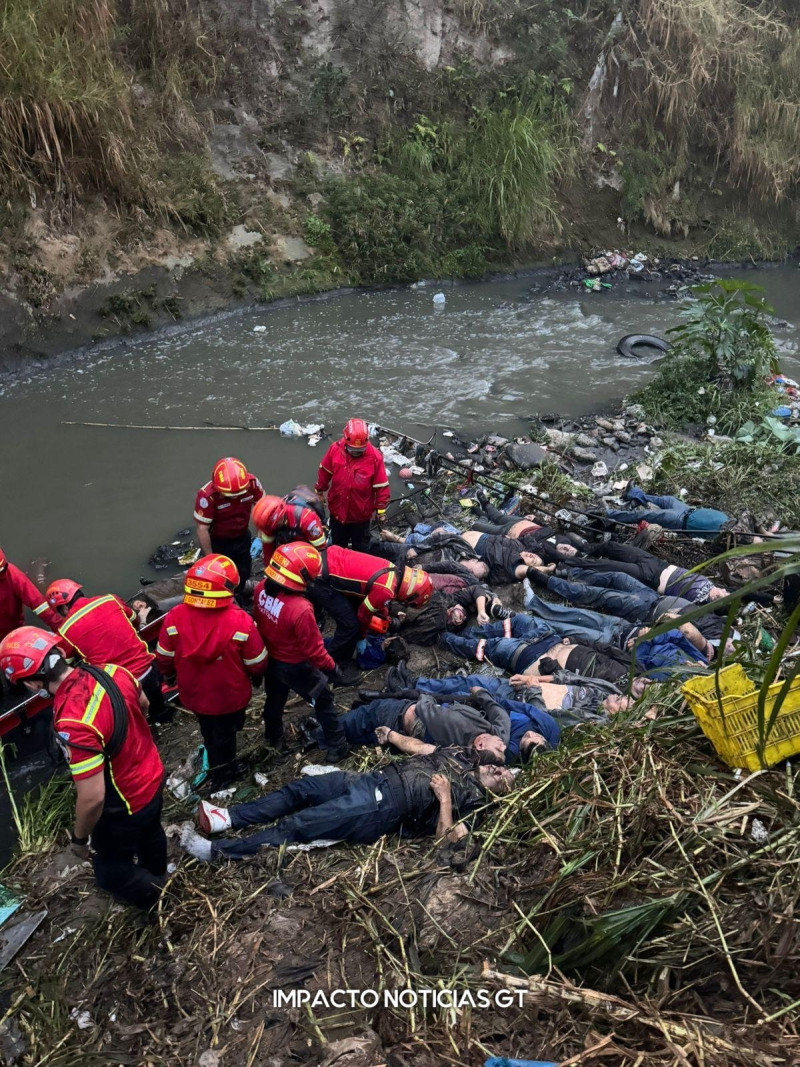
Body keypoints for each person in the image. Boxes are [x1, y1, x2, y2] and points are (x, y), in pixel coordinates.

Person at [0, 627, 166, 910]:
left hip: (125, 803)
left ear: (32, 684)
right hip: (153, 775)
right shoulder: (112, 671)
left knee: (110, 874)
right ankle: (160, 874)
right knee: (151, 833)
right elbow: (143, 704)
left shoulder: (73, 722)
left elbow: (93, 798)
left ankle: (157, 896)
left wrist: (79, 839)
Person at [181, 747, 514, 861]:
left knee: (300, 825)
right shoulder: (464, 762)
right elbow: (423, 747)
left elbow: (449, 839)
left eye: (502, 777)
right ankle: (228, 816)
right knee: (301, 790)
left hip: (383, 807)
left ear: (498, 793)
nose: (496, 769)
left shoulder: (475, 802)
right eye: (499, 765)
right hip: (370, 779)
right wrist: (393, 738)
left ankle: (219, 852)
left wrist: (444, 800)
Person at [156, 555, 267, 788]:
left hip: (194, 695)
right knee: (227, 735)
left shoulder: (175, 617)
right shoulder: (241, 621)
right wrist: (256, 678)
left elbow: (164, 658)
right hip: (231, 696)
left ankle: (218, 762)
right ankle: (224, 776)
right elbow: (257, 661)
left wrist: (169, 675)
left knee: (209, 730)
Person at [252, 542, 348, 760]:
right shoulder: (301, 609)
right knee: (323, 700)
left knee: (274, 700)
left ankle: (274, 739)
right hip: (296, 665)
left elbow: (259, 620)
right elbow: (315, 651)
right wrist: (333, 669)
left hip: (272, 659)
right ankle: (338, 745)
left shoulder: (260, 589)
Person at [47, 578, 171, 724]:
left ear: (64, 608)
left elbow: (66, 664)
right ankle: (163, 718)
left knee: (134, 721)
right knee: (160, 708)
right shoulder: (109, 600)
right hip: (149, 670)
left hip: (121, 687)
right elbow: (134, 621)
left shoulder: (65, 630)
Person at [308, 545, 433, 682]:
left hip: (324, 559)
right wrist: (362, 637)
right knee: (351, 627)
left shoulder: (391, 569)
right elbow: (363, 614)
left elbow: (375, 599)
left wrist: (385, 618)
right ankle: (330, 668)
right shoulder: (386, 590)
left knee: (351, 616)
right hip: (320, 579)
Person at [312, 689, 510, 763]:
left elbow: (421, 748)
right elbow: (498, 712)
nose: (503, 745)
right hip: (407, 709)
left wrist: (394, 737)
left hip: (396, 717)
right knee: (359, 731)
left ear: (481, 745)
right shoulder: (496, 733)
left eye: (499, 748)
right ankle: (323, 737)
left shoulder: (459, 754)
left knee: (360, 720)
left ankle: (316, 735)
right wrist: (481, 693)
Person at [193, 457, 264, 600]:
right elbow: (202, 529)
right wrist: (210, 557)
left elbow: (262, 507)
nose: (234, 498)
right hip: (219, 541)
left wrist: (260, 537)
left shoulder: (252, 483)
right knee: (221, 575)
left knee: (244, 569)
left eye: (238, 495)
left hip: (242, 535)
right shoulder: (207, 496)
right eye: (230, 496)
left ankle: (241, 589)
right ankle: (226, 599)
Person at [315, 418, 390, 550]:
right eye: (352, 449)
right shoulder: (335, 450)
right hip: (338, 512)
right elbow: (324, 472)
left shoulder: (375, 457)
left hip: (360, 516)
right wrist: (319, 492)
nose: (355, 453)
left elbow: (381, 487)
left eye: (359, 450)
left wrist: (381, 511)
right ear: (345, 440)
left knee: (361, 549)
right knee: (337, 548)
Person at [603, 484, 730, 538]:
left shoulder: (722, 534)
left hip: (679, 521)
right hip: (687, 510)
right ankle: (635, 495)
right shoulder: (727, 519)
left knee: (645, 515)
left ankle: (609, 514)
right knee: (667, 499)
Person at [252, 488, 327, 566]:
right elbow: (268, 552)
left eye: (273, 527)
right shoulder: (268, 524)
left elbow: (321, 550)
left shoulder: (307, 520)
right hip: (290, 542)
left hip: (308, 546)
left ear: (280, 517)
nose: (270, 530)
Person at [0, 546, 60, 643]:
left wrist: (59, 626)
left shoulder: (13, 576)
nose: (2, 573)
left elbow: (38, 603)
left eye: (3, 568)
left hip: (14, 632)